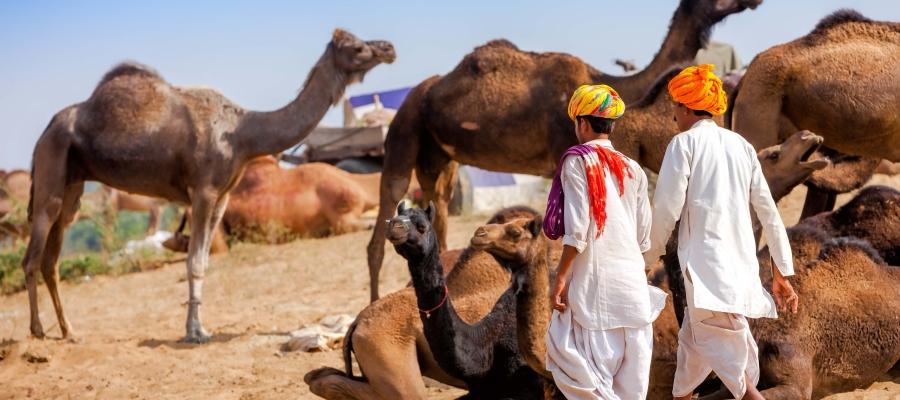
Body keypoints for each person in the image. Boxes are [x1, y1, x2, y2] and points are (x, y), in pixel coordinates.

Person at [644, 64, 799, 400]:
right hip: (737, 268)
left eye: (674, 105)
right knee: (690, 362)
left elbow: (666, 209)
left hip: (705, 274)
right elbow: (769, 212)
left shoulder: (683, 144)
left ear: (685, 107)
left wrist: (646, 256)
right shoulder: (740, 146)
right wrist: (781, 271)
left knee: (740, 380)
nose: (673, 113)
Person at [544, 84, 667, 399]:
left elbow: (578, 230)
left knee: (583, 377)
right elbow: (643, 238)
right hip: (634, 293)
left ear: (583, 124)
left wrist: (560, 278)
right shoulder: (633, 168)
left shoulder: (578, 162)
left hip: (596, 293)